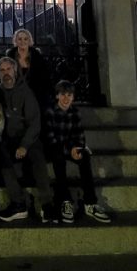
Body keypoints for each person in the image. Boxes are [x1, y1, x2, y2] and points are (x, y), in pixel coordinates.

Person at [0, 57, 56, 223]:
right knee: (2, 156)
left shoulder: (26, 92)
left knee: (38, 158)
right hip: (6, 139)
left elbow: (34, 122)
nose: (6, 73)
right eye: (2, 70)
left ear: (15, 71)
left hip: (26, 138)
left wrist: (24, 145)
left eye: (8, 69)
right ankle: (18, 203)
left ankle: (47, 204)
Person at [45, 80, 113, 224]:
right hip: (55, 148)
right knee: (58, 158)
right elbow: (51, 139)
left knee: (85, 156)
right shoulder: (50, 112)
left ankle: (90, 202)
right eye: (62, 95)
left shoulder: (75, 112)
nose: (66, 99)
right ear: (57, 96)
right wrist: (69, 150)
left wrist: (77, 148)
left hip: (69, 147)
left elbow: (79, 135)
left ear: (73, 97)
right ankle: (65, 201)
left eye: (69, 95)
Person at [6, 28, 53, 109]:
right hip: (16, 95)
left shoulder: (37, 57)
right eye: (19, 39)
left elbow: (45, 77)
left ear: (29, 41)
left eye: (25, 39)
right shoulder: (10, 56)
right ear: (16, 41)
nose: (22, 41)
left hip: (35, 95)